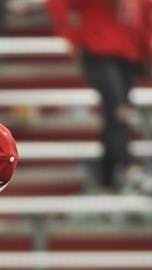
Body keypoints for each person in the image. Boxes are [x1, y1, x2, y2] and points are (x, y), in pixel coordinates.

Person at [48, 0, 151, 192]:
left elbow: (143, 22)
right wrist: (71, 35)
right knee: (118, 110)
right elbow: (58, 3)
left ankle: (107, 183)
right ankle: (128, 165)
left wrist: (146, 52)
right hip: (98, 52)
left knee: (113, 117)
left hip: (128, 57)